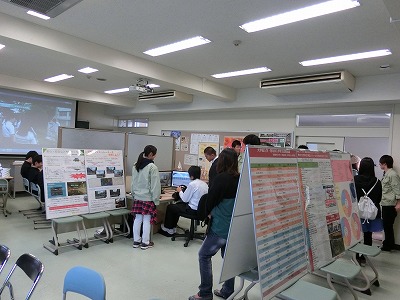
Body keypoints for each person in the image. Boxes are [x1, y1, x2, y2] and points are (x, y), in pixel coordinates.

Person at [189, 148, 240, 300]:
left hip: (220, 226)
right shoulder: (240, 178)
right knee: (227, 258)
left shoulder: (220, 178)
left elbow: (209, 201)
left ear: (222, 161)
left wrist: (207, 213)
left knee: (204, 255)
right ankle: (228, 290)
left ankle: (205, 293)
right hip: (234, 225)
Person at [159, 166, 208, 237]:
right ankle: (173, 228)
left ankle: (168, 229)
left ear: (191, 176)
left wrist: (180, 191)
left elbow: (185, 199)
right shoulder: (204, 184)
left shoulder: (192, 184)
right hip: (201, 211)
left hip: (192, 210)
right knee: (178, 205)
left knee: (170, 207)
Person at [131, 145, 161, 250]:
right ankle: (145, 242)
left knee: (138, 219)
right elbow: (155, 185)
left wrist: (134, 194)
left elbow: (133, 182)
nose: (155, 157)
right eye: (155, 154)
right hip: (148, 198)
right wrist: (156, 199)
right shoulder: (152, 167)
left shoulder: (135, 165)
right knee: (147, 220)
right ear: (151, 154)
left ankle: (136, 241)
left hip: (137, 197)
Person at [354, 157, 382, 264]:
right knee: (368, 234)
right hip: (370, 212)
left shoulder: (355, 179)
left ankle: (356, 255)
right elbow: (379, 198)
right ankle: (365, 256)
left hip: (357, 211)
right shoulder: (377, 182)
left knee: (357, 234)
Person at [379, 155, 400, 252]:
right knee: (387, 226)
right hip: (386, 203)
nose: (379, 164)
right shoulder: (386, 174)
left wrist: (398, 204)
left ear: (385, 164)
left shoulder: (392, 175)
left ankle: (388, 245)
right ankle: (389, 244)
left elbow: (398, 191)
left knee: (387, 225)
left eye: (380, 163)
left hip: (390, 205)